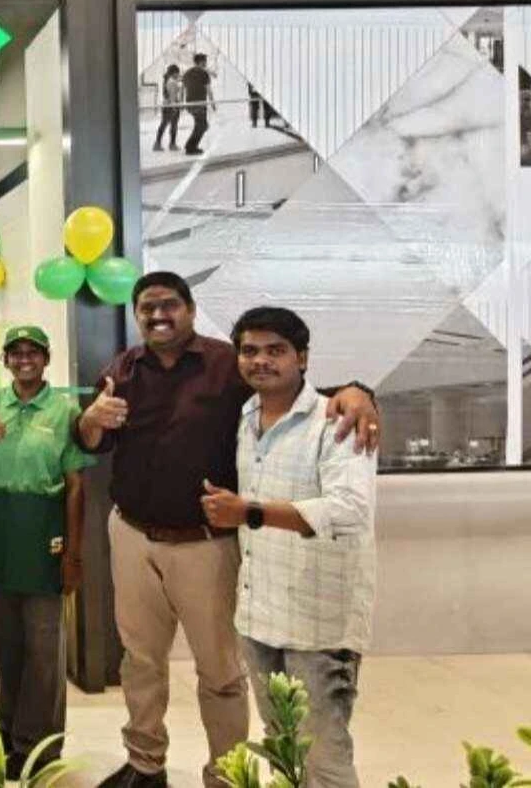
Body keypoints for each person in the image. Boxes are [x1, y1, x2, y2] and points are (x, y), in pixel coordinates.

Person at [76, 271, 380, 788]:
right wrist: (90, 419)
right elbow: (91, 441)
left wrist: (358, 392)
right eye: (147, 308)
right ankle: (145, 763)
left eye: (169, 305)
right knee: (140, 660)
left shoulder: (228, 365)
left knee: (219, 670)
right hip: (132, 534)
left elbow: (295, 395)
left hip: (207, 543)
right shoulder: (122, 369)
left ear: (191, 310)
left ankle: (226, 773)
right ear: (136, 315)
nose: (158, 316)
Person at [200, 307, 376, 788]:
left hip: (318, 624)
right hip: (260, 616)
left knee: (324, 758)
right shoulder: (247, 416)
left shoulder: (338, 419)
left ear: (302, 357)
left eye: (275, 350)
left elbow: (349, 512)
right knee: (283, 749)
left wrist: (250, 512)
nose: (261, 361)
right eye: (250, 351)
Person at [0, 325, 91, 776]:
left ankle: (41, 746)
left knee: (43, 647)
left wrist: (73, 554)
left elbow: (76, 486)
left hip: (44, 530)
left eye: (34, 352)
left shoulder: (64, 410)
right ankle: (10, 737)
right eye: (16, 353)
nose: (25, 359)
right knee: (7, 643)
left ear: (46, 359)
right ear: (6, 360)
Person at [181, 53, 214, 155]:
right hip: (200, 103)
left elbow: (183, 89)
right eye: (205, 61)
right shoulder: (204, 73)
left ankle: (191, 146)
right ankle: (190, 147)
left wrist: (182, 103)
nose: (206, 63)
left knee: (201, 125)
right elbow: (209, 90)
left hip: (189, 103)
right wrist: (213, 103)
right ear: (201, 62)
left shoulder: (187, 73)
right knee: (202, 125)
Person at [153, 64, 182, 151]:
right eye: (177, 73)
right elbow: (172, 95)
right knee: (173, 125)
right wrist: (174, 107)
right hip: (171, 105)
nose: (178, 75)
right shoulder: (172, 82)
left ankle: (158, 143)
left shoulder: (167, 80)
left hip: (167, 105)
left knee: (164, 124)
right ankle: (172, 144)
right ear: (174, 73)